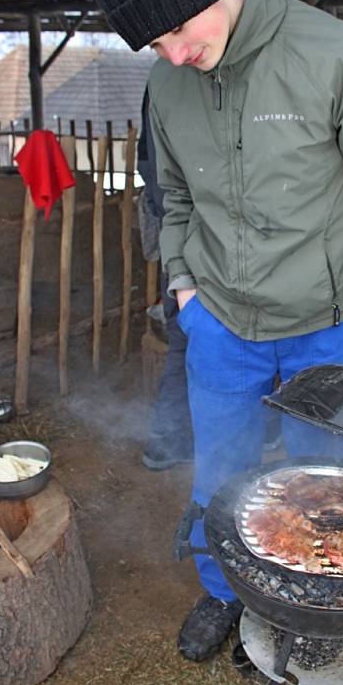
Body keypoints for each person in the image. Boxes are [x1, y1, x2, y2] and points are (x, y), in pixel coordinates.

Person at [92, 0, 343, 662]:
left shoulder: (334, 56)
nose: (172, 55)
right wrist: (186, 286)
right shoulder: (170, 81)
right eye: (155, 44)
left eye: (174, 33)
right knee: (219, 474)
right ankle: (223, 591)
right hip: (220, 321)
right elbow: (174, 200)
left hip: (325, 321)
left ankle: (315, 603)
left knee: (326, 488)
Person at [137, 87, 193, 469]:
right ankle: (168, 440)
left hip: (176, 227)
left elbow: (145, 160)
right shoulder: (170, 81)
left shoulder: (159, 83)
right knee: (187, 341)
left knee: (184, 342)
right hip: (191, 236)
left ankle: (167, 439)